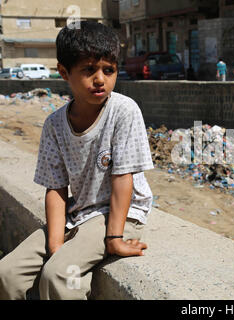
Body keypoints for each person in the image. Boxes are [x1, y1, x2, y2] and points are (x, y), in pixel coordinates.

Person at [0, 21, 153, 300]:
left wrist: (114, 239)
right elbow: (56, 189)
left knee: (59, 275)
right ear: (64, 72)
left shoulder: (123, 111)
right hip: (78, 214)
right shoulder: (54, 125)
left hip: (120, 213)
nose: (100, 79)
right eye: (88, 70)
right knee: (7, 273)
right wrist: (56, 245)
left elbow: (123, 178)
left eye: (108, 70)